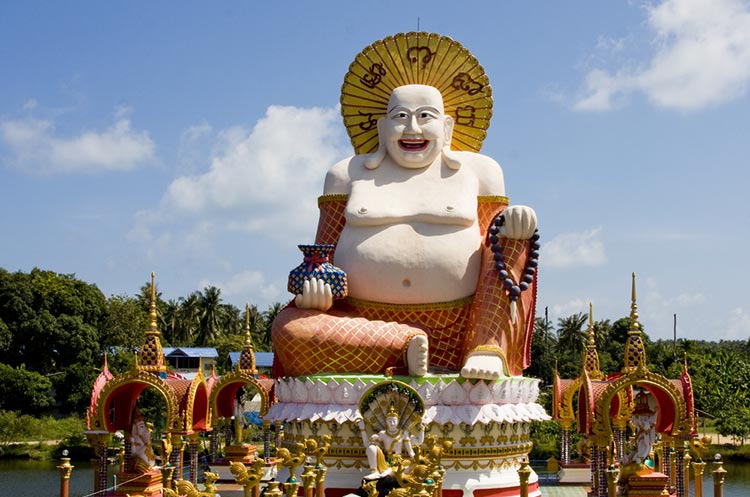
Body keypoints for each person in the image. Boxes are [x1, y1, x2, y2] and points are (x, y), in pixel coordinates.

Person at [272, 34, 538, 380]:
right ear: (382, 127)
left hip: (464, 328)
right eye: (400, 117)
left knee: (514, 234)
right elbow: (322, 255)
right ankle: (402, 343)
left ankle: (488, 348)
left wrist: (517, 221)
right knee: (288, 328)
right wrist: (317, 292)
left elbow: (497, 255)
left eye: (425, 116)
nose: (412, 128)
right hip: (362, 327)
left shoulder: (480, 172)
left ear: (447, 126)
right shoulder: (346, 174)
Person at [357, 405, 425, 480]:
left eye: (394, 421)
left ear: (398, 421)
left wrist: (422, 430)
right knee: (371, 448)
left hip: (399, 462)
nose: (392, 423)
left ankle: (386, 473)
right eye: (389, 421)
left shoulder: (403, 433)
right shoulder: (382, 434)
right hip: (385, 462)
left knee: (408, 468)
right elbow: (367, 445)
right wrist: (362, 429)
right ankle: (374, 472)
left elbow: (416, 446)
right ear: (386, 421)